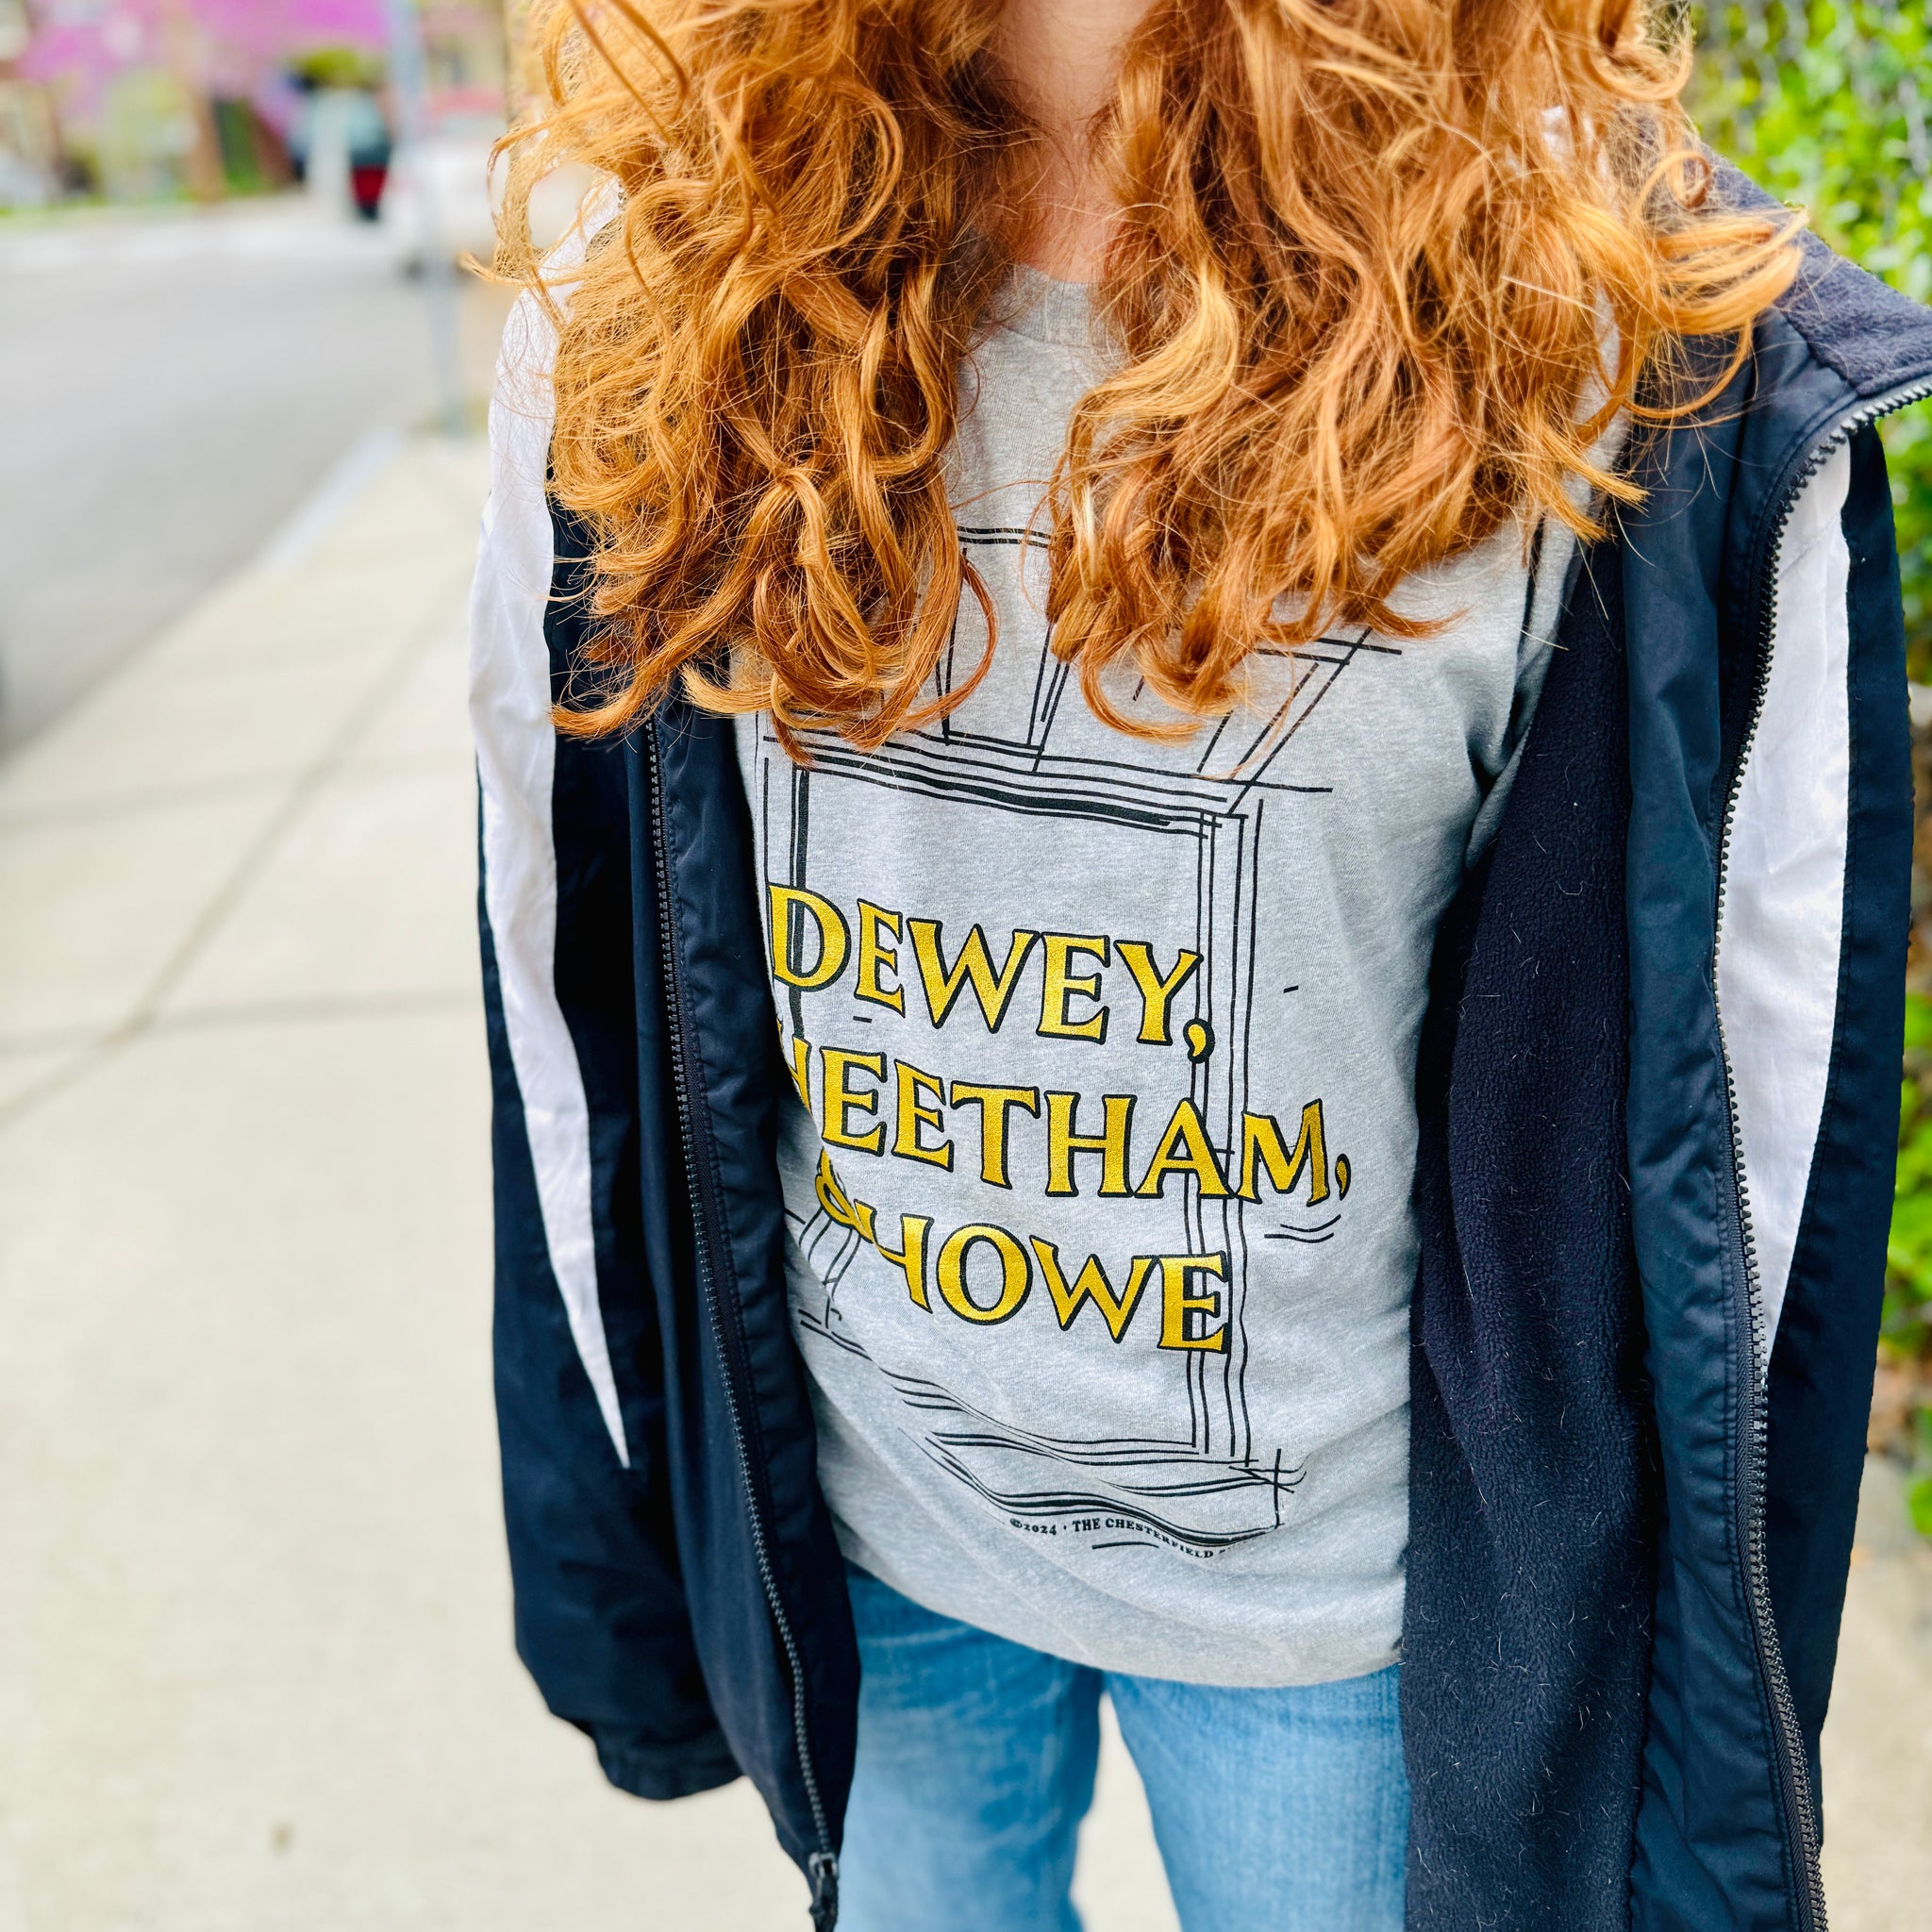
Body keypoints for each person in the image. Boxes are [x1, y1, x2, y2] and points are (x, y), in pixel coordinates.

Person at [468, 2, 1932, 1926]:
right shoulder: (651, 291)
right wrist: (627, 1546)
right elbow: (557, 959)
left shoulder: (1616, 334)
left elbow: (1741, 1144)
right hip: (867, 1532)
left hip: (1337, 1611)